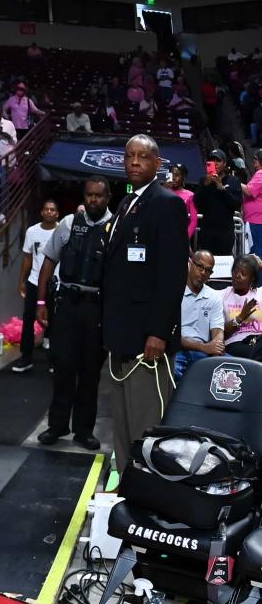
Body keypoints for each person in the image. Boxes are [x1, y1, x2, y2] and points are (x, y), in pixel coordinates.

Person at [100, 134, 189, 472]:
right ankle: (127, 487)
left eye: (143, 157)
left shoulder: (167, 204)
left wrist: (158, 331)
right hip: (121, 336)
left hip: (148, 341)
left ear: (157, 162)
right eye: (129, 156)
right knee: (121, 425)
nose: (134, 162)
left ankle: (150, 496)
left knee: (146, 426)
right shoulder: (126, 203)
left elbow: (171, 276)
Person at [35, 177, 112, 449]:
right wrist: (41, 302)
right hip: (66, 304)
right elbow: (49, 261)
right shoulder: (68, 224)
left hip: (96, 308)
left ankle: (83, 431)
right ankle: (57, 427)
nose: (94, 200)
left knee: (90, 373)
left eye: (99, 196)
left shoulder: (116, 229)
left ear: (107, 198)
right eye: (90, 195)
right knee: (63, 368)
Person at [12, 199, 59, 373]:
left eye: (52, 209)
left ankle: (54, 360)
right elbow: (27, 257)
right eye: (46, 209)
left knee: (55, 322)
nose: (49, 212)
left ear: (57, 213)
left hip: (54, 284)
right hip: (34, 281)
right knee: (28, 320)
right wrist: (21, 281)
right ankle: (26, 358)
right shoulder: (32, 231)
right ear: (41, 212)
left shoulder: (62, 231)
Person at [174, 250, 225, 378]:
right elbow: (171, 336)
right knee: (173, 370)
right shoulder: (175, 293)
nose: (203, 273)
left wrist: (216, 347)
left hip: (204, 354)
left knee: (234, 370)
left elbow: (218, 332)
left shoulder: (214, 297)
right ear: (190, 264)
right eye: (200, 267)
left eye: (208, 270)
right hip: (178, 350)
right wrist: (204, 347)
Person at [195, 149, 242, 255]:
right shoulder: (203, 180)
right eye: (212, 160)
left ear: (224, 163)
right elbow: (197, 204)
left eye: (218, 160)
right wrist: (205, 186)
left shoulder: (234, 181)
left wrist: (222, 189)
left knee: (223, 264)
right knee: (205, 263)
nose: (215, 163)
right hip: (207, 231)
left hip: (225, 232)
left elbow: (237, 204)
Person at [221, 255, 262, 360]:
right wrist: (241, 317)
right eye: (235, 271)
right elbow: (221, 333)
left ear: (252, 278)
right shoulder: (221, 296)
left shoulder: (259, 294)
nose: (237, 276)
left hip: (258, 340)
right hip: (235, 344)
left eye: (243, 273)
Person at [163, 163, 198, 239]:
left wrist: (185, 238)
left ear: (184, 177)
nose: (174, 178)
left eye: (177, 175)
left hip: (180, 235)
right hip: (163, 234)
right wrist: (163, 190)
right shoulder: (162, 192)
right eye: (172, 175)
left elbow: (194, 220)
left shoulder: (190, 195)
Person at [242, 150, 262, 260]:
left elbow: (249, 191)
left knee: (255, 256)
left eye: (255, 158)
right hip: (257, 221)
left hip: (256, 222)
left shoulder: (261, 173)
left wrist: (236, 182)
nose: (253, 160)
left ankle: (258, 278)